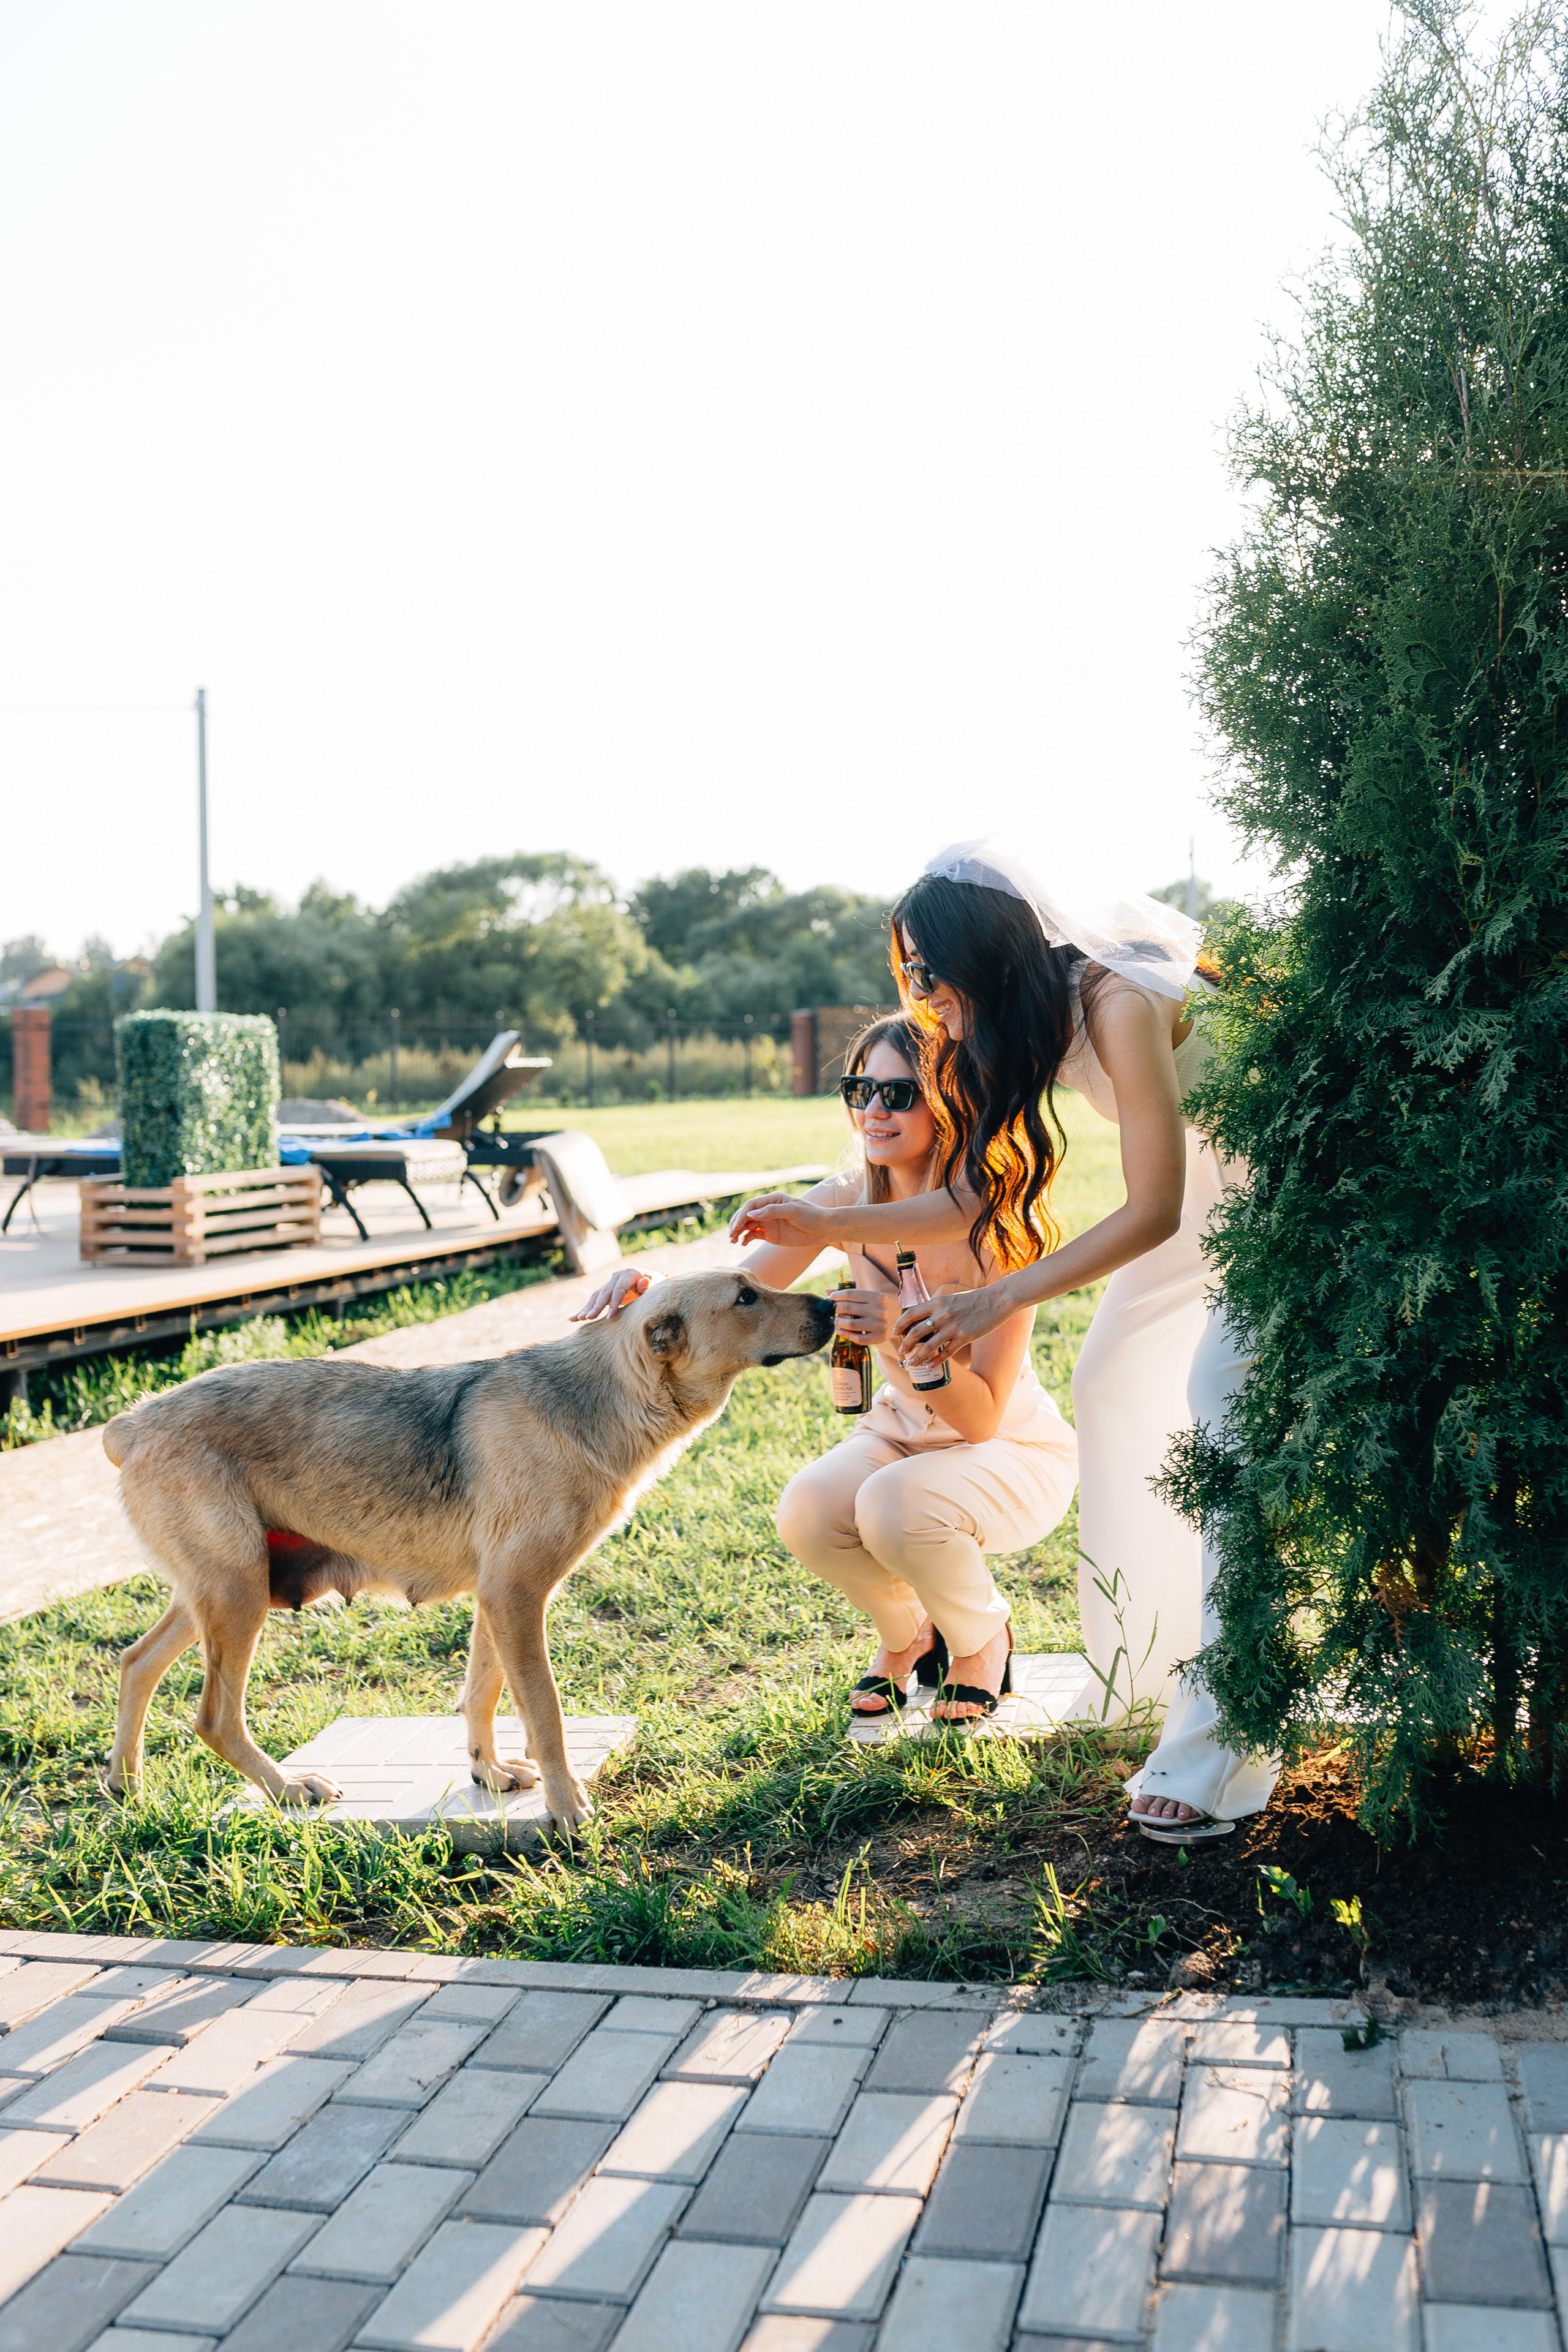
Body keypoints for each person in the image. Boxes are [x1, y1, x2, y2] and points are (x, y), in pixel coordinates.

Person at [729, 840, 1277, 1842]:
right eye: (911, 978)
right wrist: (828, 1227)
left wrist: (996, 1301)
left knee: (1224, 1405)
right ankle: (1153, 1667)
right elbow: (977, 1192)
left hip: (1281, 1203)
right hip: (1207, 1203)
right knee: (1113, 1385)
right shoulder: (1029, 1029)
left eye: (929, 974)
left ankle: (1229, 1736)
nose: (922, 997)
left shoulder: (1117, 994)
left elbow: (1147, 1210)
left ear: (984, 955)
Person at [574, 1013, 1078, 1728]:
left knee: (891, 1505)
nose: (872, 1111)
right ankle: (910, 1635)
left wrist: (900, 1341)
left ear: (952, 1099)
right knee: (807, 1511)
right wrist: (649, 1288)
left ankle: (981, 1637)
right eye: (859, 1089)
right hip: (899, 1433)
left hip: (1006, 1450)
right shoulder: (842, 1201)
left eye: (899, 1094)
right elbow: (735, 1295)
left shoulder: (998, 1222)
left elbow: (981, 1416)